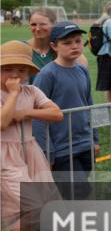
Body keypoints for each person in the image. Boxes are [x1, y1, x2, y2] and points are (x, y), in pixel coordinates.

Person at [1, 41, 62, 231]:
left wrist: (25, 111)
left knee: (39, 211)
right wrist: (13, 96)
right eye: (7, 69)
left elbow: (56, 113)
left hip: (31, 154)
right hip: (6, 157)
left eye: (20, 70)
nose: (14, 76)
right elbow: (3, 121)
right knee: (31, 207)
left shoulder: (33, 90)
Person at [31, 22, 96, 200]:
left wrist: (94, 138)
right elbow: (38, 117)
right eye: (67, 43)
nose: (74, 46)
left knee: (73, 194)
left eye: (77, 41)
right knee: (79, 193)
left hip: (85, 145)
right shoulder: (46, 75)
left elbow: (89, 105)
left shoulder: (83, 71)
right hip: (62, 149)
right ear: (54, 46)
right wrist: (47, 151)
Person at [25, 8, 88, 83]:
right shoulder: (21, 48)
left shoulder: (63, 49)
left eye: (43, 24)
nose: (38, 28)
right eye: (33, 24)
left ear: (54, 24)